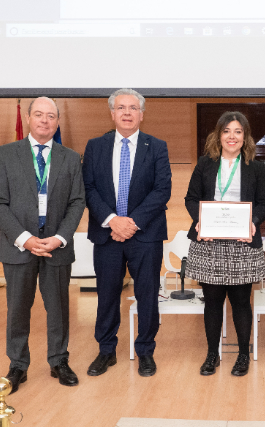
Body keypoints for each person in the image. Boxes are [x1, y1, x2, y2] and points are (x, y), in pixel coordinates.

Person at [0, 97, 86, 394]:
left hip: (57, 245)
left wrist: (59, 238)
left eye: (51, 116)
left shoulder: (70, 158)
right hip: (19, 247)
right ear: (29, 118)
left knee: (58, 308)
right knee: (18, 308)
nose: (45, 120)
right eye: (39, 115)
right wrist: (25, 239)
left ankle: (59, 360)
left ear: (57, 122)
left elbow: (77, 202)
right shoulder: (6, 155)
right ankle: (18, 365)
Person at [82, 88, 172, 378]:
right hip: (106, 234)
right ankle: (106, 351)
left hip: (145, 234)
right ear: (112, 113)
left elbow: (162, 191)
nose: (127, 113)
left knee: (147, 295)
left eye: (133, 108)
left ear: (142, 114)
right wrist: (112, 220)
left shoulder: (156, 146)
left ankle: (145, 352)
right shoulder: (95, 146)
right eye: (121, 107)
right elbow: (89, 188)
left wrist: (130, 222)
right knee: (107, 295)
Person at [185, 111, 265, 376]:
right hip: (209, 241)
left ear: (245, 137)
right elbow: (191, 198)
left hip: (242, 243)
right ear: (218, 135)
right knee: (211, 302)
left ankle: (243, 355)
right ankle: (212, 354)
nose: (231, 137)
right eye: (226, 131)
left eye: (237, 131)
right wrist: (199, 220)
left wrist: (253, 221)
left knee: (241, 302)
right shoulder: (205, 164)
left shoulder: (255, 167)